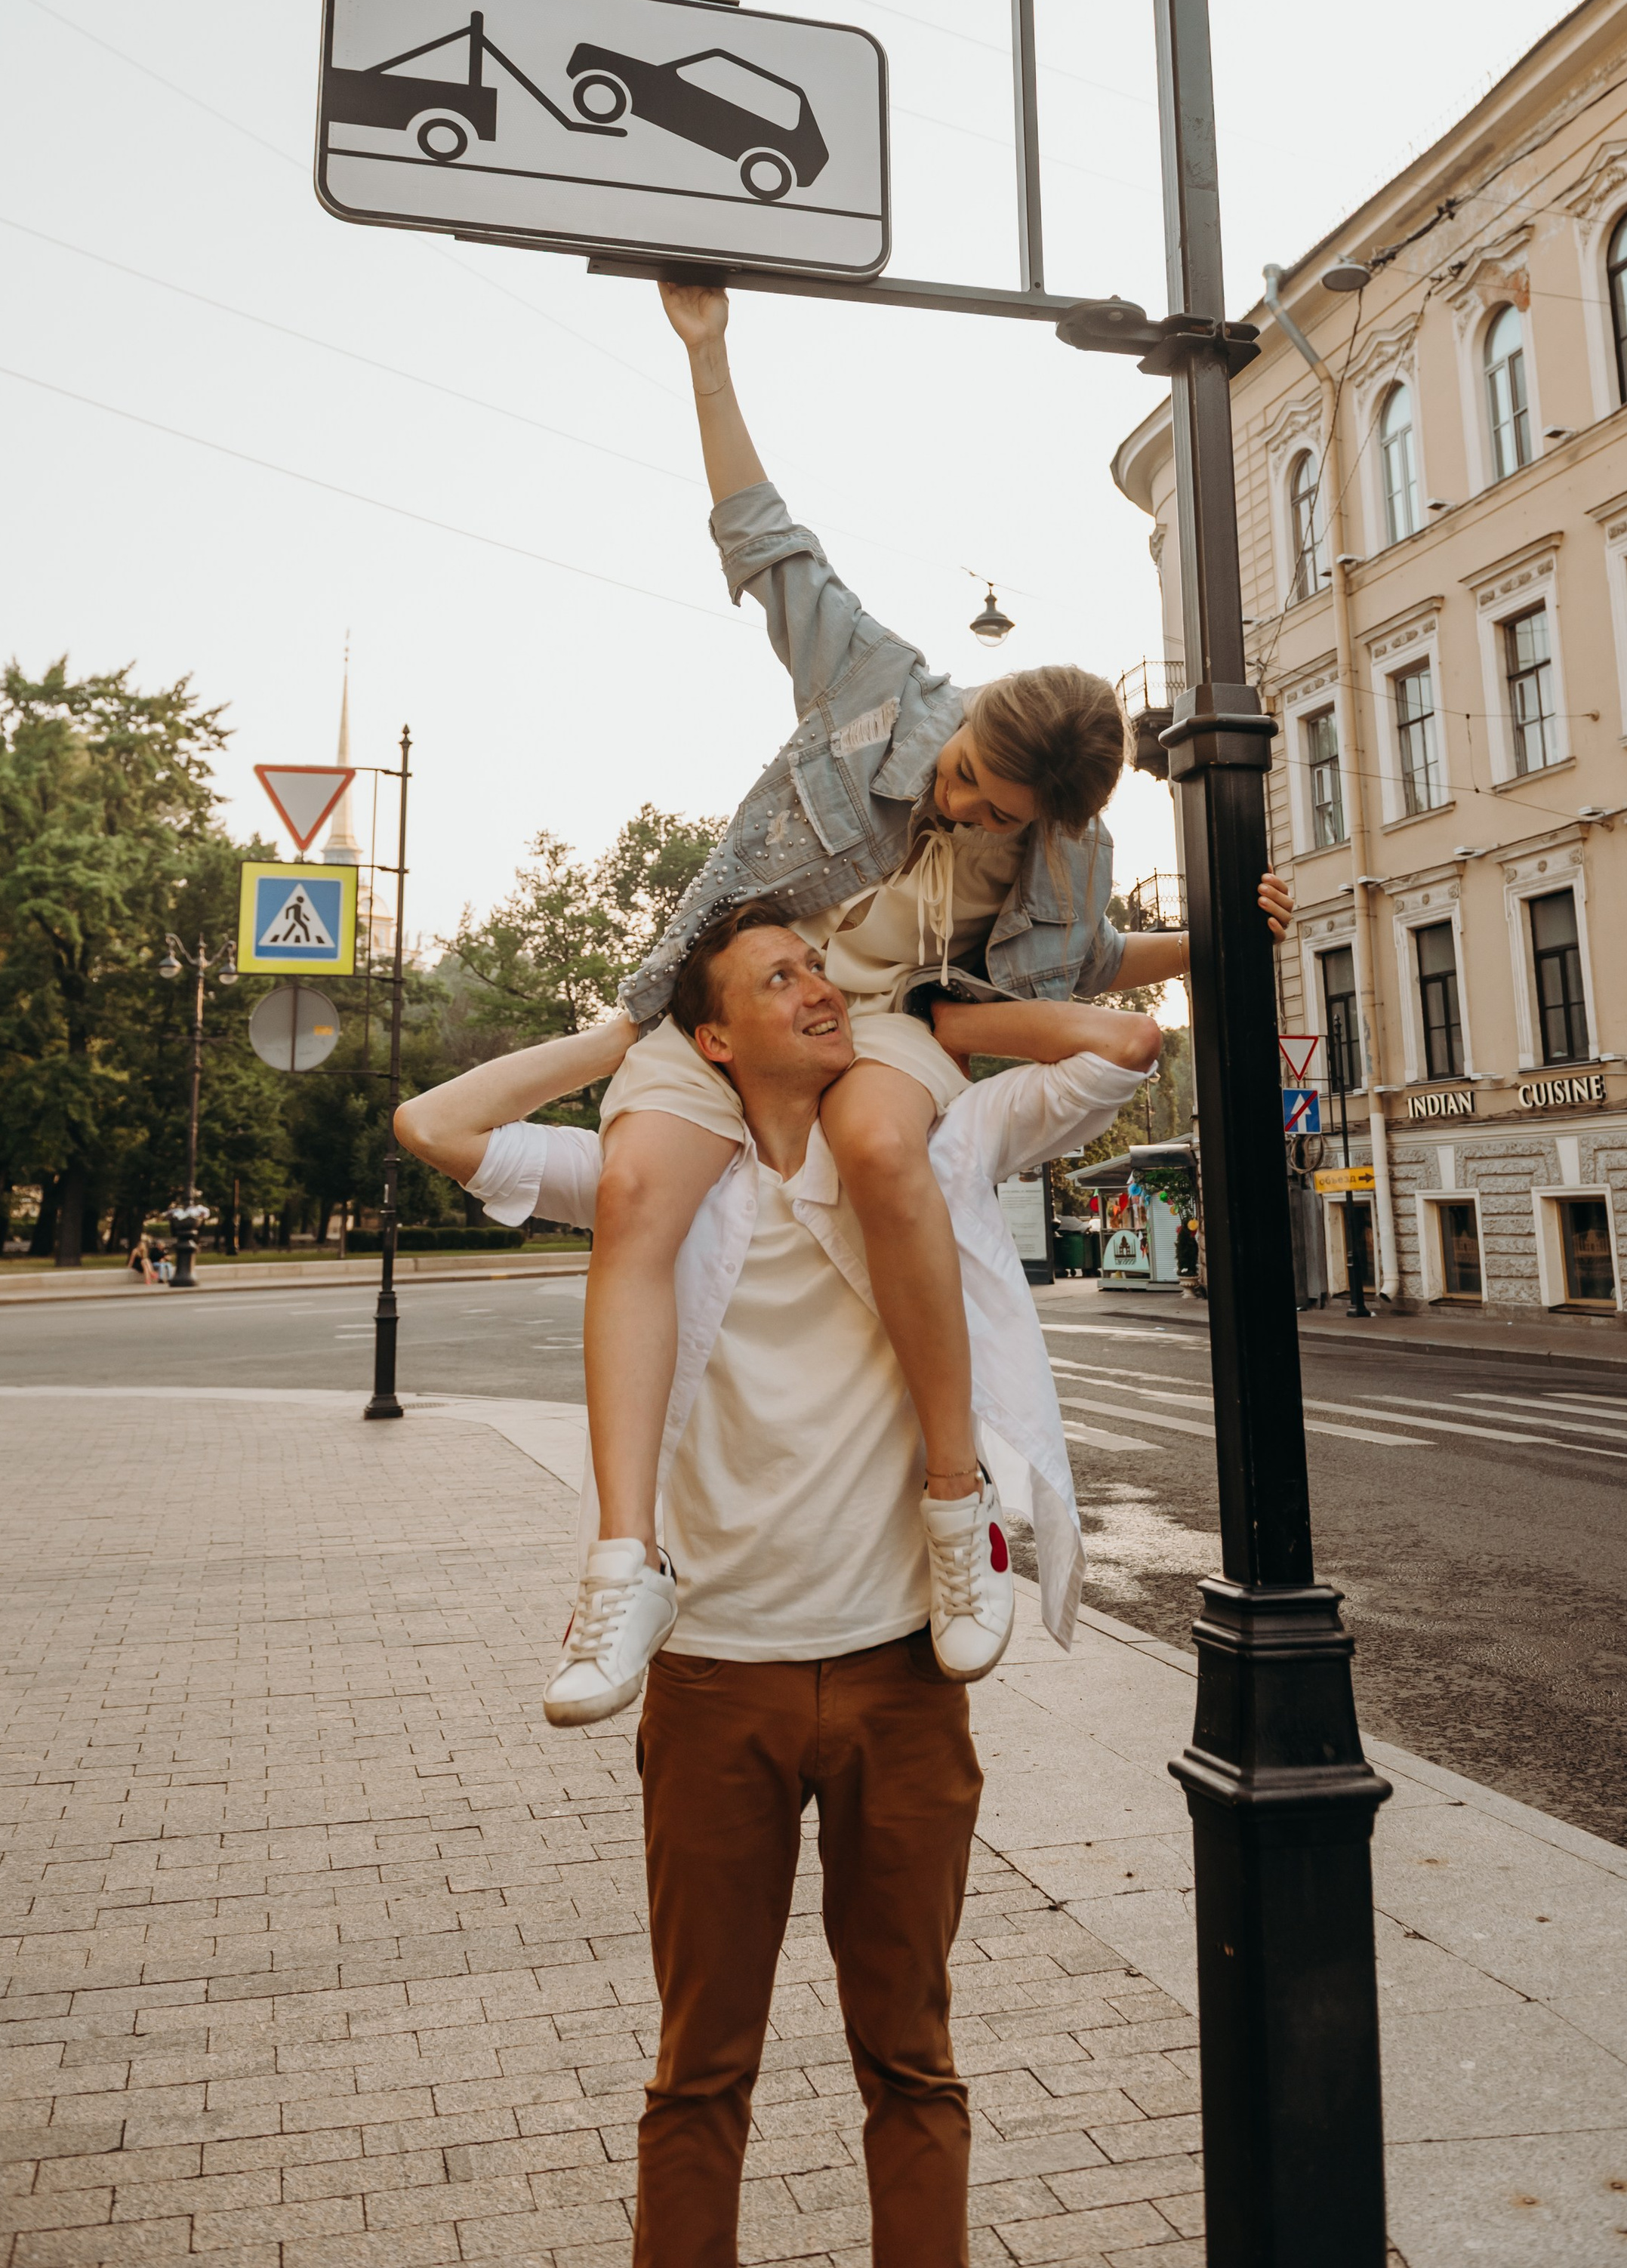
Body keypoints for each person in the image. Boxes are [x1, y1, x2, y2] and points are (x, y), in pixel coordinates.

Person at [394, 896, 1163, 2266]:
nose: (818, 992)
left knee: (912, 2061)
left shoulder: (938, 1145)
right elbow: (435, 1123)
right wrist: (617, 1033)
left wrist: (931, 1014)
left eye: (821, 971)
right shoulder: (663, 1178)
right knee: (701, 2072)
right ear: (712, 1039)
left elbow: (1123, 1040)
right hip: (710, 1686)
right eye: (779, 980)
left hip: (907, 1674)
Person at [562, 279, 1290, 1721]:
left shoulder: (1068, 867)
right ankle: (625, 1559)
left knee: (888, 1151)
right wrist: (708, 352)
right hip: (744, 972)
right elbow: (767, 540)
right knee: (640, 1189)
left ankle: (958, 1508)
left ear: (1053, 818)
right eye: (962, 769)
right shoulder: (881, 686)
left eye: (988, 806)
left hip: (880, 1023)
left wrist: (1216, 939)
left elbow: (1077, 971)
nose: (953, 799)